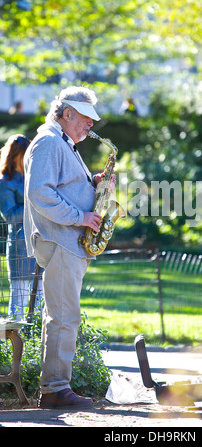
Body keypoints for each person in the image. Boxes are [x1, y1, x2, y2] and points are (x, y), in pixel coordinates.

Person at [24, 86, 110, 409]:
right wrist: (81, 217)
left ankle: (55, 387)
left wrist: (95, 183)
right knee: (63, 317)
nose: (90, 126)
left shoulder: (63, 143)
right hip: (60, 241)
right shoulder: (48, 142)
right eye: (86, 119)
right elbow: (40, 194)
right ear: (67, 113)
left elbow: (62, 187)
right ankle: (55, 390)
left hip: (68, 243)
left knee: (62, 316)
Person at [0, 135, 42, 321]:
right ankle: (13, 347)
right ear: (15, 156)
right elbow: (10, 216)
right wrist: (35, 201)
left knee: (42, 302)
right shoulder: (4, 183)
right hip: (19, 247)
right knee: (19, 300)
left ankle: (38, 346)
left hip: (40, 245)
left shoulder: (32, 177)